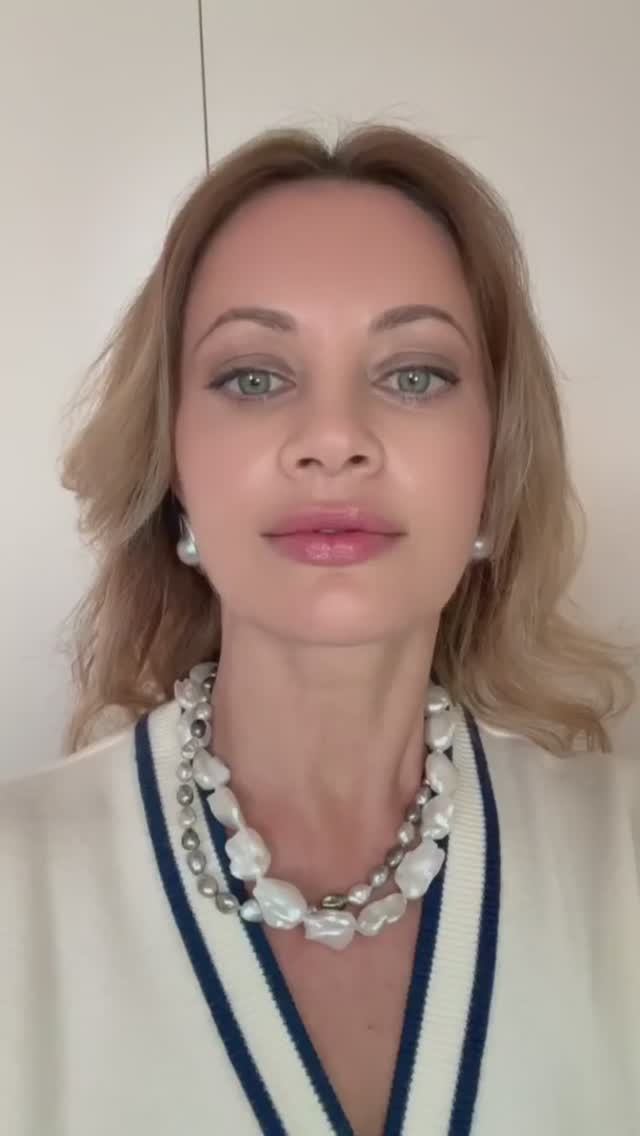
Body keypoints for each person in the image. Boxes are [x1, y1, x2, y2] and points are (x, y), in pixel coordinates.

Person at [1, 122, 638, 1136]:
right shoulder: (18, 881)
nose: (334, 439)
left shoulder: (619, 857)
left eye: (414, 374)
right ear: (173, 467)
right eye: (254, 377)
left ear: (494, 462)